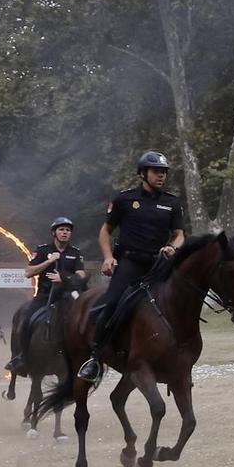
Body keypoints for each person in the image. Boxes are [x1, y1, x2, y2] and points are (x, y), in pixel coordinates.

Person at [81, 151, 186, 382]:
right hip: (130, 262)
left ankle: (182, 352)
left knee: (182, 299)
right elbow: (105, 231)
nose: (161, 176)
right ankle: (95, 357)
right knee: (112, 302)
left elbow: (179, 234)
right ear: (143, 173)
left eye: (164, 172)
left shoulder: (172, 202)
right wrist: (108, 257)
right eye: (156, 171)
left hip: (158, 264)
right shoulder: (124, 200)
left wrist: (173, 248)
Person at [6, 216, 86, 373]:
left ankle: (88, 357)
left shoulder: (75, 253)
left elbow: (81, 275)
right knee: (27, 319)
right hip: (44, 296)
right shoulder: (43, 250)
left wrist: (64, 278)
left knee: (86, 317)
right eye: (61, 230)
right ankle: (22, 357)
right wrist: (49, 262)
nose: (65, 233)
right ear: (54, 233)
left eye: (68, 230)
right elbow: (29, 272)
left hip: (67, 295)